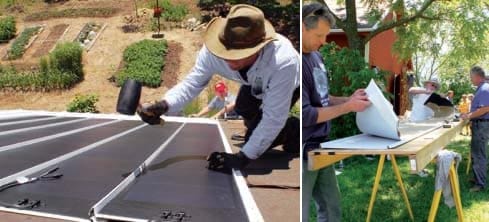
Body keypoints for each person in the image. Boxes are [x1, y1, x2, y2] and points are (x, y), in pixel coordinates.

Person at [136, 4, 300, 173]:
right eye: (226, 52)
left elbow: (273, 118)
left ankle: (294, 129)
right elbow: (193, 83)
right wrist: (164, 105)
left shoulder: (283, 63)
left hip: (286, 85)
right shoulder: (212, 51)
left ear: (260, 48)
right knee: (244, 108)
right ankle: (255, 126)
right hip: (252, 82)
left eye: (239, 55)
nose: (229, 61)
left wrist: (241, 158)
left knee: (255, 140)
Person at [301, 3, 371, 222]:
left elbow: (323, 98)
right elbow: (307, 114)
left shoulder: (317, 57)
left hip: (324, 146)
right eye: (319, 35)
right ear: (302, 27)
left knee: (332, 208)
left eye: (326, 35)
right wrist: (348, 107)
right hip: (304, 150)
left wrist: (349, 99)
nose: (324, 41)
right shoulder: (296, 63)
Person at [461, 66, 489, 192]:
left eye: (471, 77)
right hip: (479, 124)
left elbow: (485, 108)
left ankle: (480, 184)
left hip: (482, 124)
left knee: (479, 154)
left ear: (477, 76)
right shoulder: (482, 88)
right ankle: (477, 177)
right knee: (475, 152)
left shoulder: (484, 88)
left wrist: (469, 115)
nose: (470, 79)